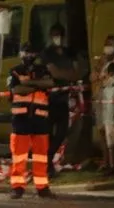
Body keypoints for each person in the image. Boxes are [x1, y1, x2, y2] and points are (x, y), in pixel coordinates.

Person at [8, 43, 55, 199]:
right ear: (20, 54)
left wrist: (27, 83)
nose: (29, 55)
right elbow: (16, 90)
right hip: (21, 118)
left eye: (32, 52)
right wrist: (38, 86)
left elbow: (50, 83)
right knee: (19, 156)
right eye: (26, 52)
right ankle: (17, 186)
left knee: (41, 156)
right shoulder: (15, 70)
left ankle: (42, 187)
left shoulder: (42, 69)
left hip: (40, 118)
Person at [41, 24, 79, 178]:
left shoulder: (69, 52)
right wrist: (66, 74)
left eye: (60, 35)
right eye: (55, 34)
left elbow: (75, 74)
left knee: (62, 132)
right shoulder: (47, 53)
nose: (58, 38)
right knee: (48, 134)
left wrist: (64, 74)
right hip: (49, 99)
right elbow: (53, 72)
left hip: (63, 99)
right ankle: (47, 165)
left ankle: (48, 160)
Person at [92, 35, 114, 175]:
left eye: (112, 44)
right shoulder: (103, 61)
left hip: (113, 102)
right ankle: (107, 162)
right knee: (103, 132)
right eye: (107, 44)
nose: (108, 47)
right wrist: (100, 64)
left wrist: (104, 76)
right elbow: (94, 77)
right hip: (102, 99)